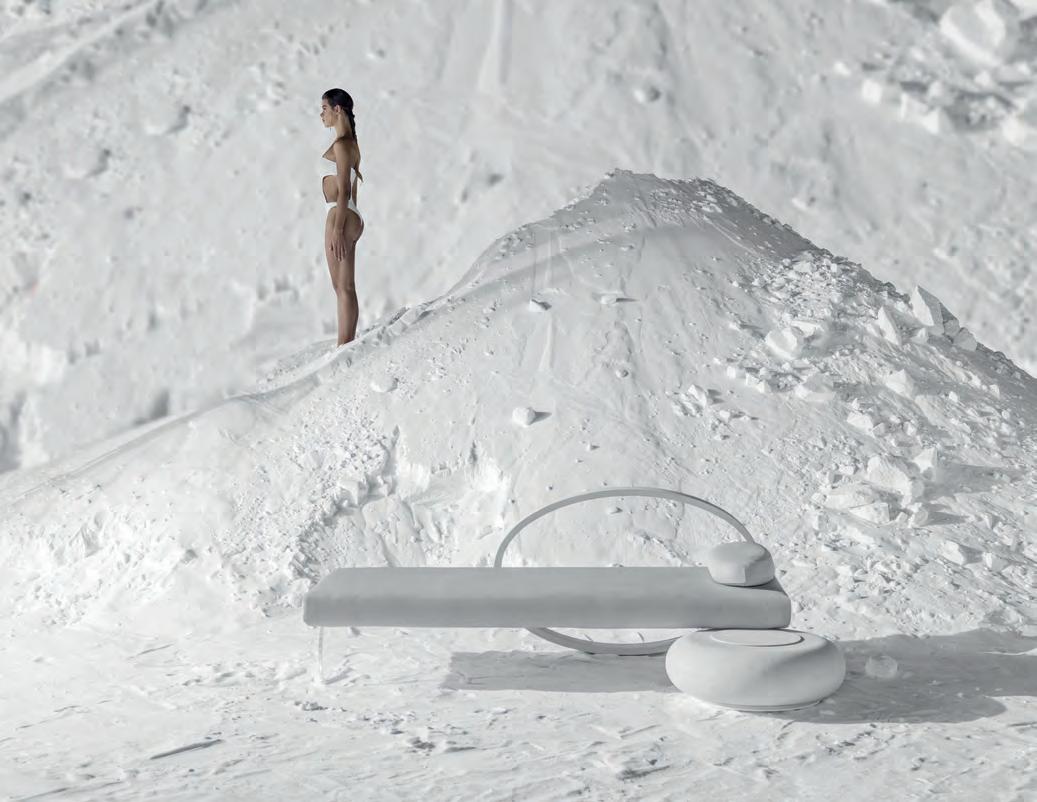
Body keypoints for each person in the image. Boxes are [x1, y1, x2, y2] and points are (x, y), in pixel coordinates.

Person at [320, 88, 365, 346]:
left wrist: (338, 229)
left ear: (337, 109)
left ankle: (344, 345)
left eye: (324, 108)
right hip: (346, 214)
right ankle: (344, 342)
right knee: (342, 286)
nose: (321, 114)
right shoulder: (348, 143)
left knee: (344, 287)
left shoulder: (343, 144)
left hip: (341, 215)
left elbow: (345, 188)